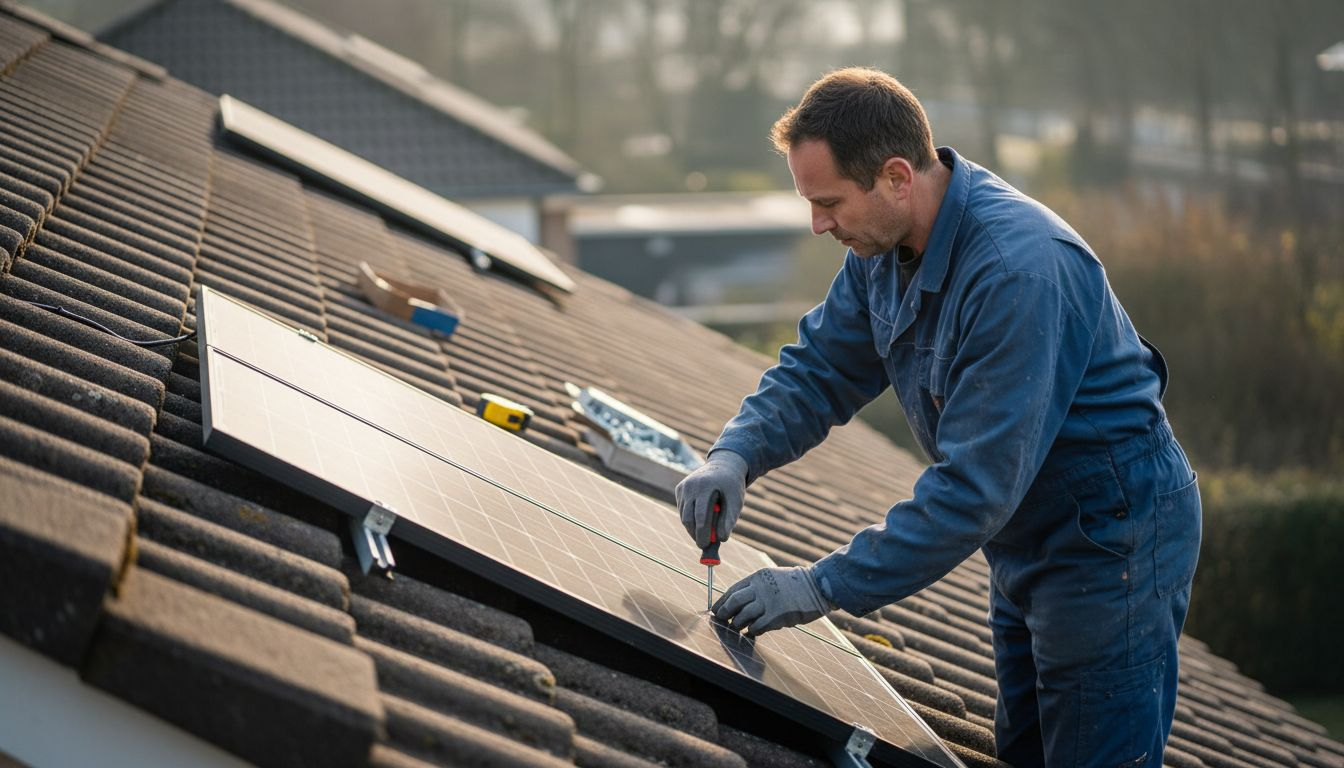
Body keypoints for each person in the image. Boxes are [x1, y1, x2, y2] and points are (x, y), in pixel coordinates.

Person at [676, 68, 1201, 766]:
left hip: (1112, 544)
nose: (817, 224)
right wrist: (733, 454)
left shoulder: (1017, 273)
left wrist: (818, 586)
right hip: (1027, 535)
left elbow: (973, 490)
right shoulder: (881, 247)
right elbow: (821, 368)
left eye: (828, 202)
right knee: (1027, 749)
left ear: (896, 177)